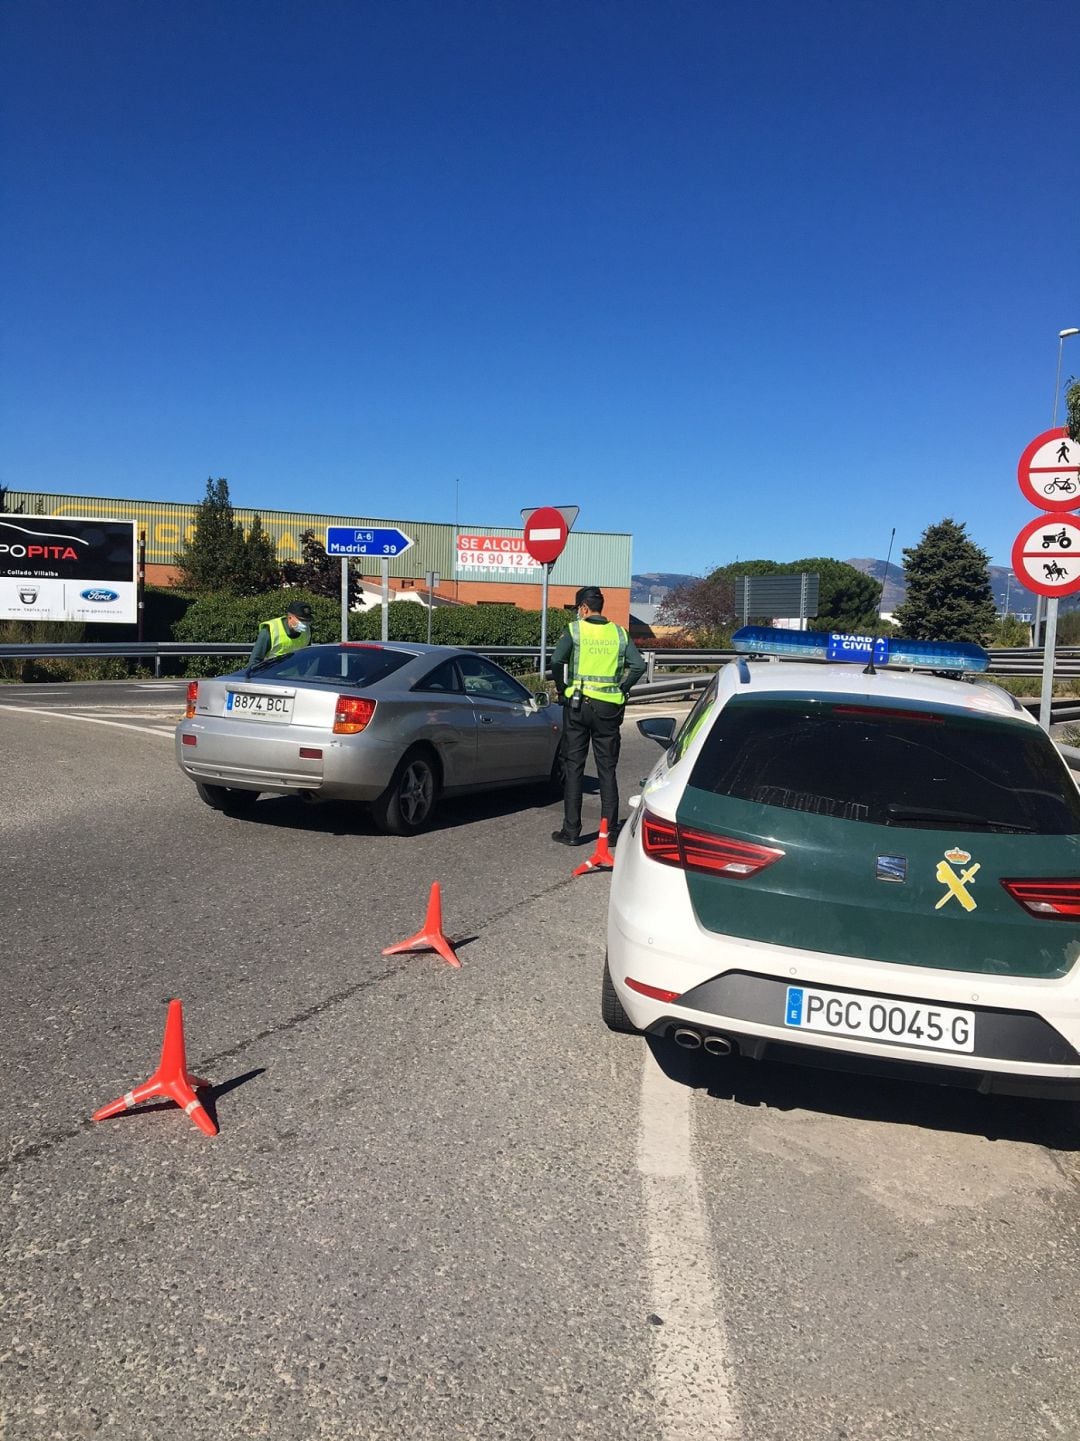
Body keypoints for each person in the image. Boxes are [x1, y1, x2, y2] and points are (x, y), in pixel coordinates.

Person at [549, 586, 646, 846]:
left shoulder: (575, 630)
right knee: (607, 769)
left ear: (583, 607)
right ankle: (610, 832)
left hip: (579, 705)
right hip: (609, 708)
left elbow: (557, 661)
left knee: (574, 767)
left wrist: (562, 688)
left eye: (577, 609)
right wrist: (622, 688)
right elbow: (639, 665)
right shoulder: (619, 633)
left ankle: (571, 831)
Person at [248, 600, 313, 666]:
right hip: (271, 674)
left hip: (295, 675)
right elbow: (254, 661)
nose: (304, 624)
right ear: (290, 618)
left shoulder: (307, 632)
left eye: (307, 621)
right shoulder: (270, 631)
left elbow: (306, 658)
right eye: (301, 620)